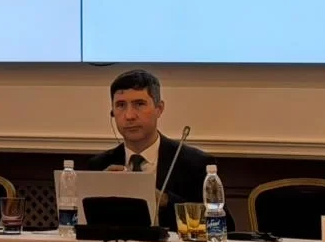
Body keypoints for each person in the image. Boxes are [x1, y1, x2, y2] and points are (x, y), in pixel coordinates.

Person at [87, 69, 231, 231]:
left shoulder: (194, 163)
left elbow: (225, 227)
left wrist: (165, 201)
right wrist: (100, 193)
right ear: (112, 112)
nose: (129, 116)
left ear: (159, 108)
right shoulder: (99, 166)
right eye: (120, 105)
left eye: (139, 104)